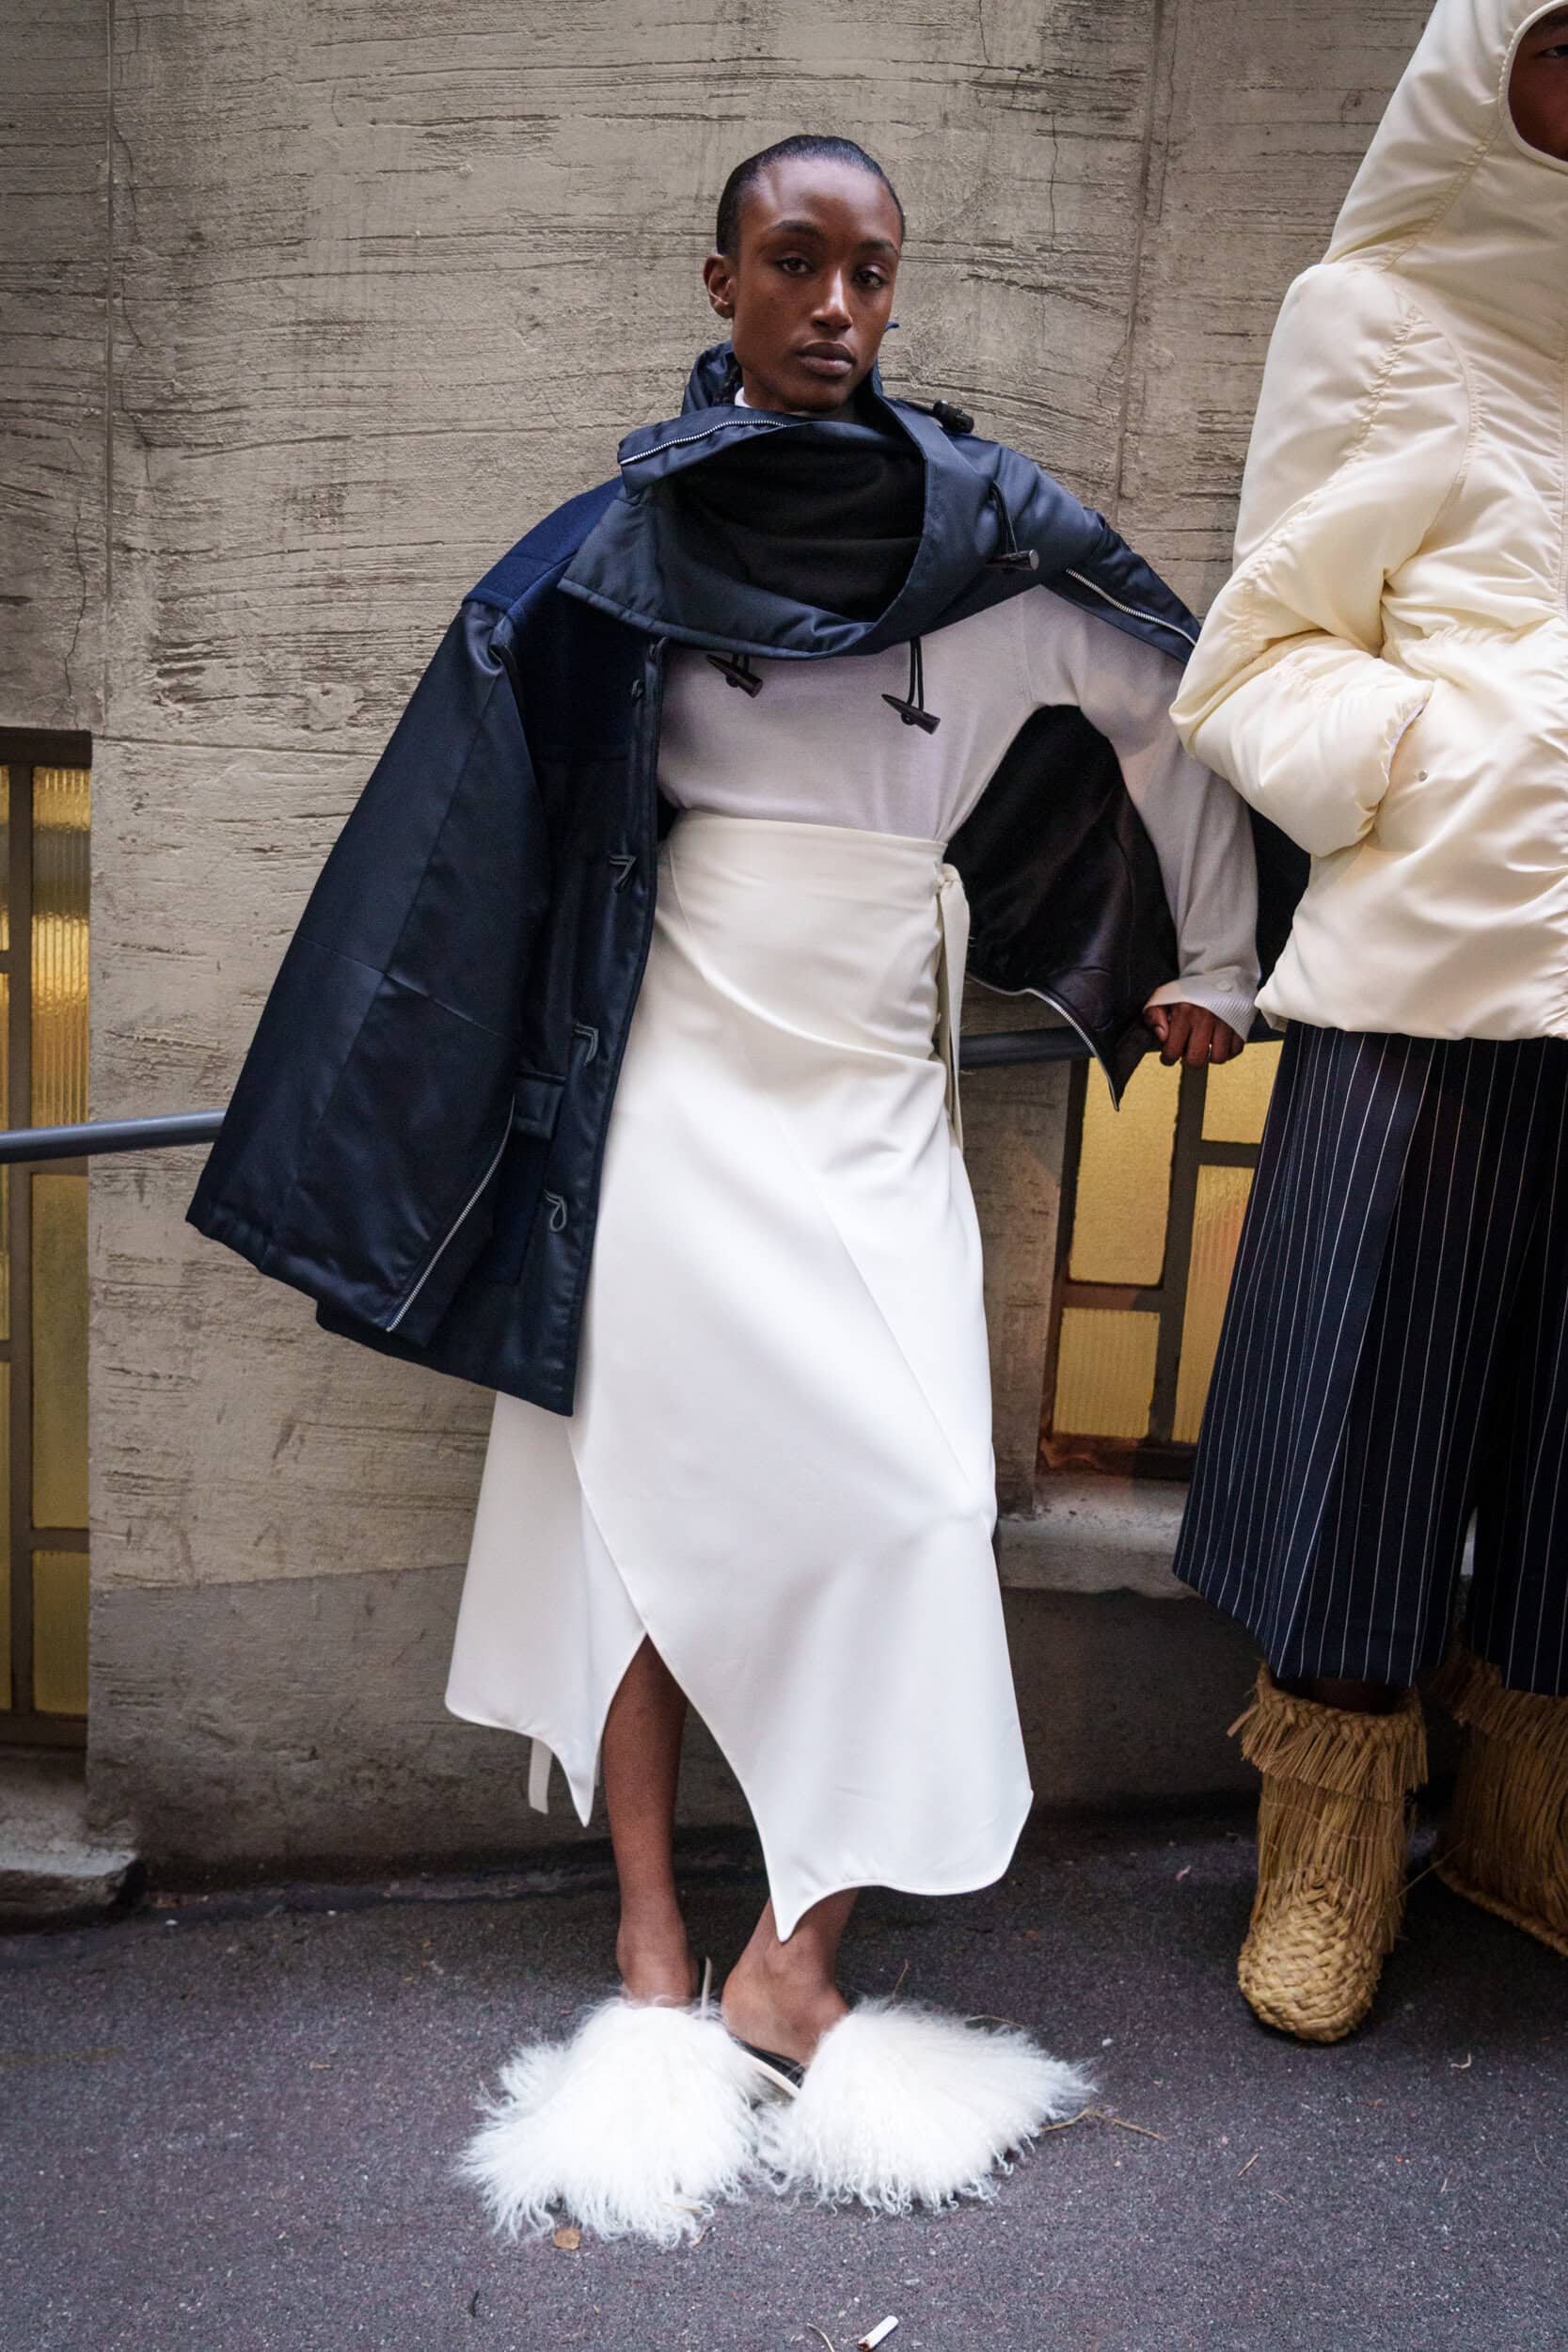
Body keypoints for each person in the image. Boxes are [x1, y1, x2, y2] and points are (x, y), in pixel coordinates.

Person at [189, 134, 1258, 2235]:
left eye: (869, 269)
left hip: (870, 1095)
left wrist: (1214, 962)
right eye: (794, 261)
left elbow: (1170, 704)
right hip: (675, 1086)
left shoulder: (996, 543)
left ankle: (796, 1949)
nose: (835, 303)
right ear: (723, 280)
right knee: (633, 1509)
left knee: (919, 1502)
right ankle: (655, 1939)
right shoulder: (620, 547)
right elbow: (473, 811)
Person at [1170, 0, 1568, 2045]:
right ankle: (1323, 1852)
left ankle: (1522, 1817)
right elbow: (1256, 662)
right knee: (1365, 1428)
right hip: (1429, 984)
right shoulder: (1376, 313)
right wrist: (1460, 759)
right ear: (1494, 56)